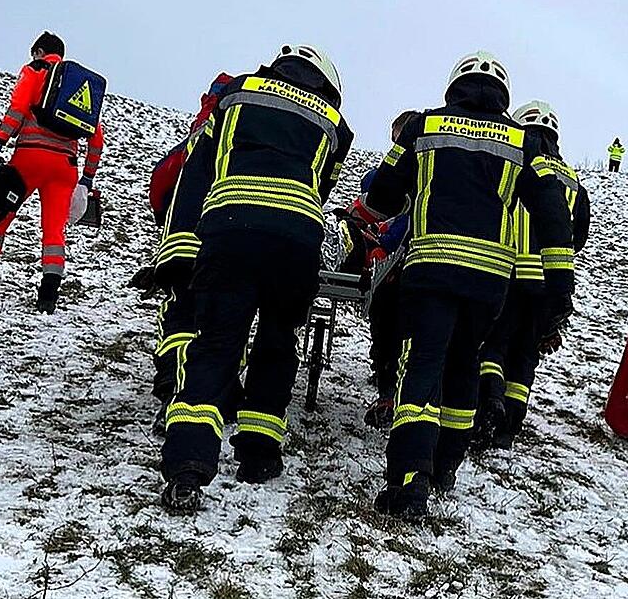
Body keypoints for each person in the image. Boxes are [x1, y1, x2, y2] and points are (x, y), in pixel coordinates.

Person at [353, 51, 575, 518]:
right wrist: (560, 291)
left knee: (422, 367)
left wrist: (374, 215)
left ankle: (409, 483)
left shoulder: (424, 127)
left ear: (453, 85)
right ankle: (446, 465)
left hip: (431, 272)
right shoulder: (524, 143)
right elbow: (555, 217)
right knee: (463, 366)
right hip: (490, 283)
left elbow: (384, 193)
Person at [159, 44, 353, 513]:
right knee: (278, 340)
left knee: (216, 344)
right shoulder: (333, 122)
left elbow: (197, 168)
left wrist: (180, 247)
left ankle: (188, 465)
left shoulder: (235, 94)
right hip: (296, 236)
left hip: (230, 229)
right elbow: (320, 186)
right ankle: (260, 452)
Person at [474, 100, 590, 450]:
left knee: (493, 343)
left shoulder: (514, 158)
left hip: (506, 272)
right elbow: (577, 238)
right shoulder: (574, 183)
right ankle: (509, 427)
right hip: (547, 283)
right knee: (526, 355)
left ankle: (489, 400)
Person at [0, 32, 104, 312]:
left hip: (29, 159)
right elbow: (96, 139)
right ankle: (47, 298)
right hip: (65, 169)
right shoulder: (78, 87)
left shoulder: (35, 71)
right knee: (54, 231)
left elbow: (17, 110)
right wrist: (87, 179)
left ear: (40, 52)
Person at [142, 73, 234, 434]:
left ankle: (171, 386)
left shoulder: (200, 131)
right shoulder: (244, 128)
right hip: (226, 238)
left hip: (183, 241)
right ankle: (214, 391)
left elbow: (163, 178)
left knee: (181, 316)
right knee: (221, 317)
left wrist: (166, 220)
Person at [355, 110, 418, 429]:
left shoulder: (410, 166)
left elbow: (377, 186)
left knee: (389, 324)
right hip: (429, 264)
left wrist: (386, 244)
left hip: (406, 263)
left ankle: (389, 394)